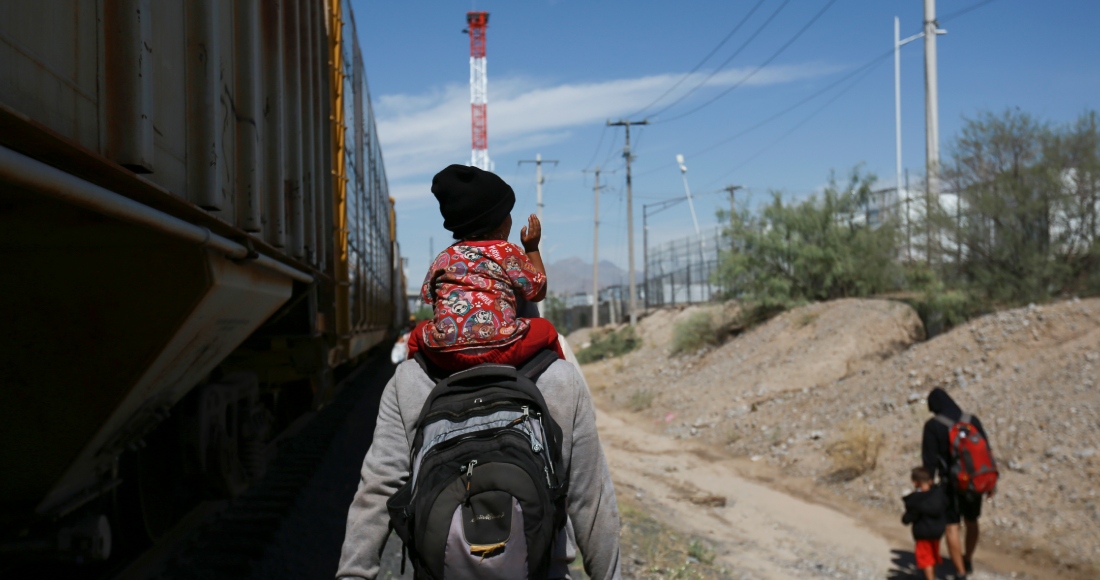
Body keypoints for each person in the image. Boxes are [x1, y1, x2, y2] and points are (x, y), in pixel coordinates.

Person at [335, 340, 622, 579]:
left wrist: (353, 574)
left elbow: (377, 490)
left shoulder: (409, 379)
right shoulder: (559, 376)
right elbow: (591, 502)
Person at [406, 164, 564, 371]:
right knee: (547, 330)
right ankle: (559, 374)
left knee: (417, 335)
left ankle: (417, 375)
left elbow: (432, 299)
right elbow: (538, 293)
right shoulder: (507, 252)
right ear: (499, 221)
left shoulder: (443, 258)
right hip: (503, 349)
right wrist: (532, 248)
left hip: (447, 355)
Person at [923, 387, 994, 578]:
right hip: (974, 482)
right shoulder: (971, 420)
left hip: (950, 485)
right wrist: (991, 482)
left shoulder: (933, 426)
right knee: (972, 522)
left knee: (952, 526)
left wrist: (926, 490)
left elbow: (929, 464)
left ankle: (960, 572)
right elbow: (986, 452)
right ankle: (968, 559)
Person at [902, 467, 948, 580]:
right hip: (938, 532)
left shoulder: (916, 500)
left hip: (923, 534)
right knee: (934, 556)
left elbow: (908, 518)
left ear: (915, 482)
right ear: (930, 481)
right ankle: (932, 576)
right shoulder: (939, 494)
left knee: (925, 559)